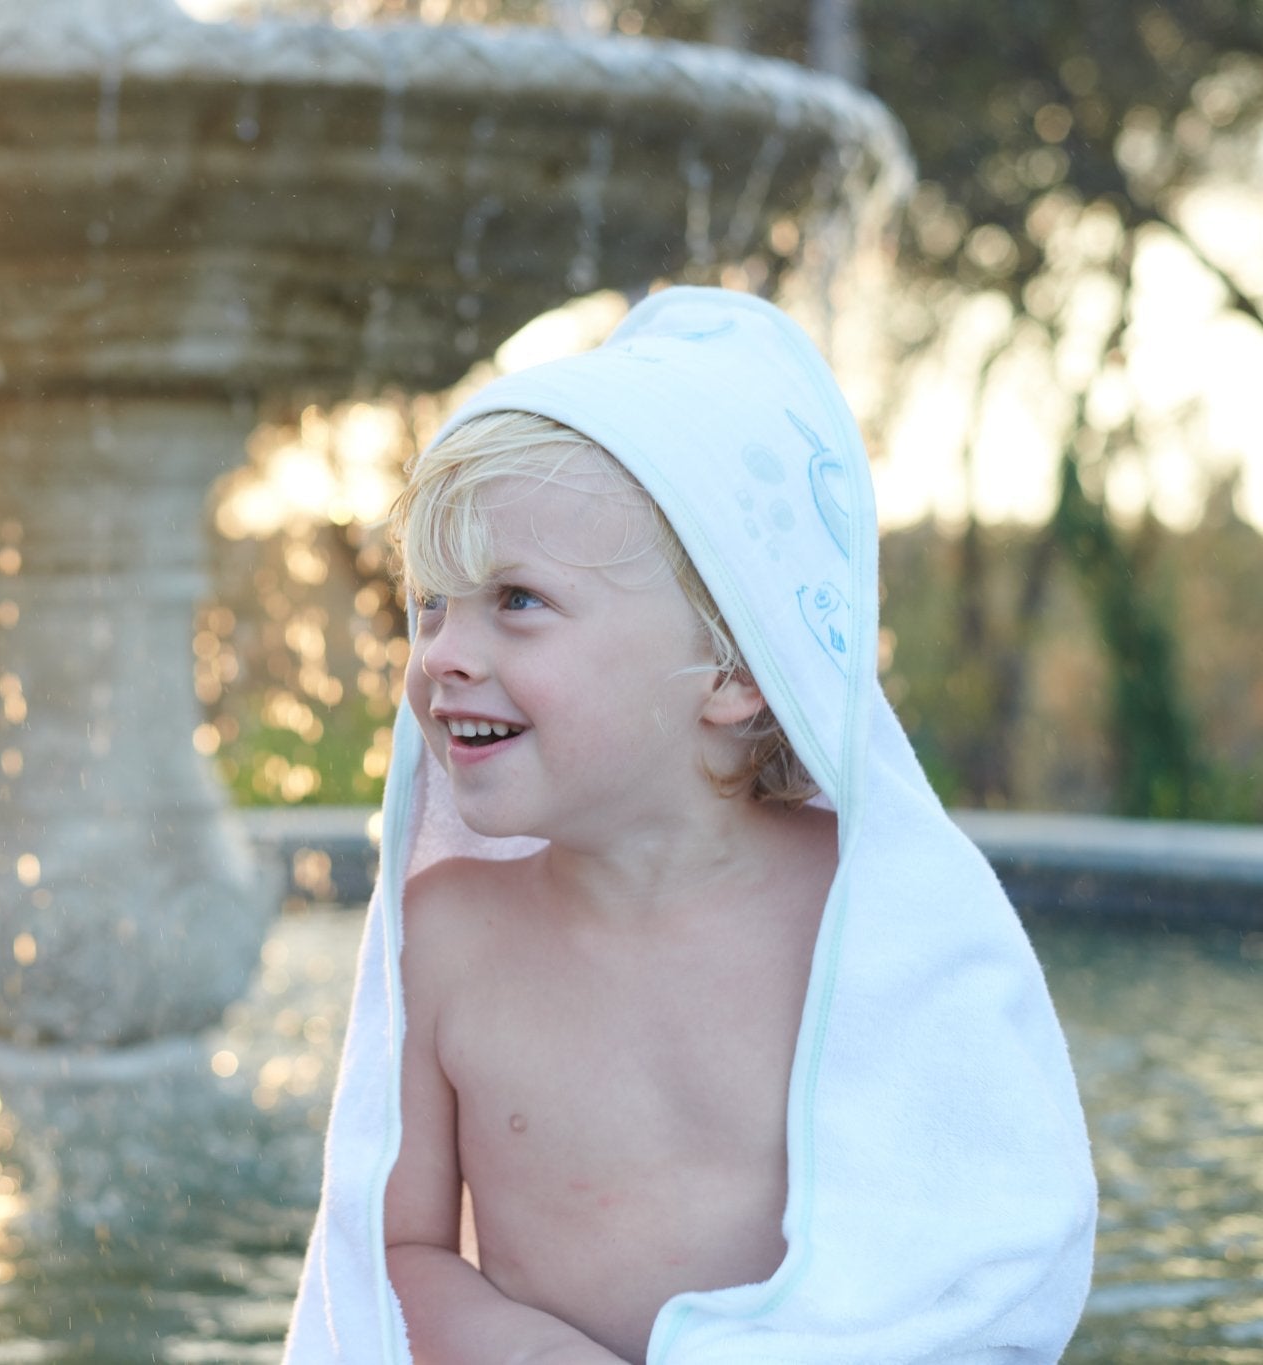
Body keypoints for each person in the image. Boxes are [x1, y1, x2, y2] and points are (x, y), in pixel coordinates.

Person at [282, 286, 1097, 1365]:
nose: (439, 655)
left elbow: (988, 1246)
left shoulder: (867, 918)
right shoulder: (447, 937)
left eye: (514, 600)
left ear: (732, 669)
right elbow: (389, 1255)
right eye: (429, 605)